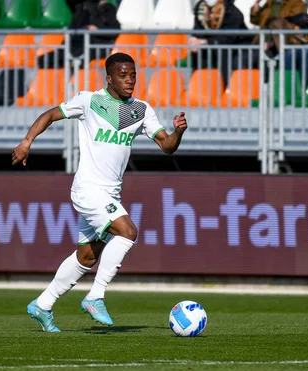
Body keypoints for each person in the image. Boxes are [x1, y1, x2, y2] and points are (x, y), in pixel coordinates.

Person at [12, 53, 188, 332]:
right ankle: (96, 295)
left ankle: (42, 304)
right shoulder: (89, 101)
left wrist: (177, 133)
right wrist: (26, 141)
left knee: (87, 256)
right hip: (88, 189)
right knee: (128, 231)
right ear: (109, 78)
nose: (130, 80)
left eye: (133, 74)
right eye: (123, 75)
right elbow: (50, 115)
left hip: (110, 195)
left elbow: (166, 146)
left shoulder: (141, 110)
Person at [37, 0, 120, 69]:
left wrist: (97, 29)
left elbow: (115, 30)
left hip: (93, 46)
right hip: (73, 46)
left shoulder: (107, 8)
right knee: (43, 60)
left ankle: (72, 78)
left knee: (78, 60)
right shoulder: (81, 7)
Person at [190, 0, 253, 86]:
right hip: (211, 53)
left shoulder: (234, 14)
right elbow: (197, 30)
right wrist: (195, 40)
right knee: (199, 54)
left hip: (234, 52)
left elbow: (228, 38)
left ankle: (226, 87)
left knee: (228, 56)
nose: (210, 15)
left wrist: (206, 42)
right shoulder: (200, 9)